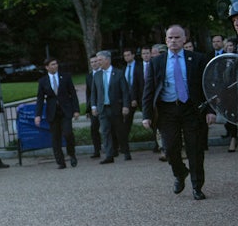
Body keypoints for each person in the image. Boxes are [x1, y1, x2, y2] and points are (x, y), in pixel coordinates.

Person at [142, 25, 216, 199]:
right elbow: (149, 90)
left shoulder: (197, 59)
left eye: (177, 37)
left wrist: (210, 110)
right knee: (169, 148)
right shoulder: (157, 62)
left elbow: (207, 86)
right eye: (170, 38)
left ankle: (197, 187)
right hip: (167, 110)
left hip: (192, 109)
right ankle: (180, 172)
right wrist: (146, 115)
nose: (173, 41)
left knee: (195, 149)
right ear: (166, 40)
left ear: (184, 39)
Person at [34, 58, 80, 169]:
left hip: (65, 111)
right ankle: (60, 161)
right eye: (52, 64)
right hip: (52, 112)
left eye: (56, 64)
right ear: (47, 67)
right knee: (56, 137)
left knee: (68, 133)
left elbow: (73, 94)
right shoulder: (43, 81)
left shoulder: (66, 77)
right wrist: (38, 115)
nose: (55, 66)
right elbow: (40, 99)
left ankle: (71, 154)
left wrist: (76, 110)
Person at [90, 50, 131, 164]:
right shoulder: (97, 75)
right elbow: (94, 92)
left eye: (100, 60)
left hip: (116, 107)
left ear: (107, 60)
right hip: (103, 108)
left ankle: (126, 151)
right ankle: (109, 155)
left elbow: (125, 91)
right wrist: (94, 106)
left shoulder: (118, 73)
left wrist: (125, 105)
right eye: (97, 60)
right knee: (105, 131)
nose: (98, 62)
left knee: (120, 131)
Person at [122, 48, 144, 153]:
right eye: (125, 55)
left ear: (133, 55)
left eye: (128, 55)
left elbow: (140, 83)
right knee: (126, 123)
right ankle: (124, 146)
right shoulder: (123, 69)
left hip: (141, 98)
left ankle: (158, 144)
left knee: (150, 119)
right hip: (128, 99)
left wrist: (135, 98)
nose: (127, 57)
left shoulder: (140, 66)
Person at [85, 55, 102, 158]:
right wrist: (89, 109)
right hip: (93, 107)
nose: (94, 64)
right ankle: (97, 150)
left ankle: (115, 147)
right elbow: (88, 93)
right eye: (92, 62)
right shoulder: (89, 76)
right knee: (94, 128)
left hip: (104, 105)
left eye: (96, 61)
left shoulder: (103, 74)